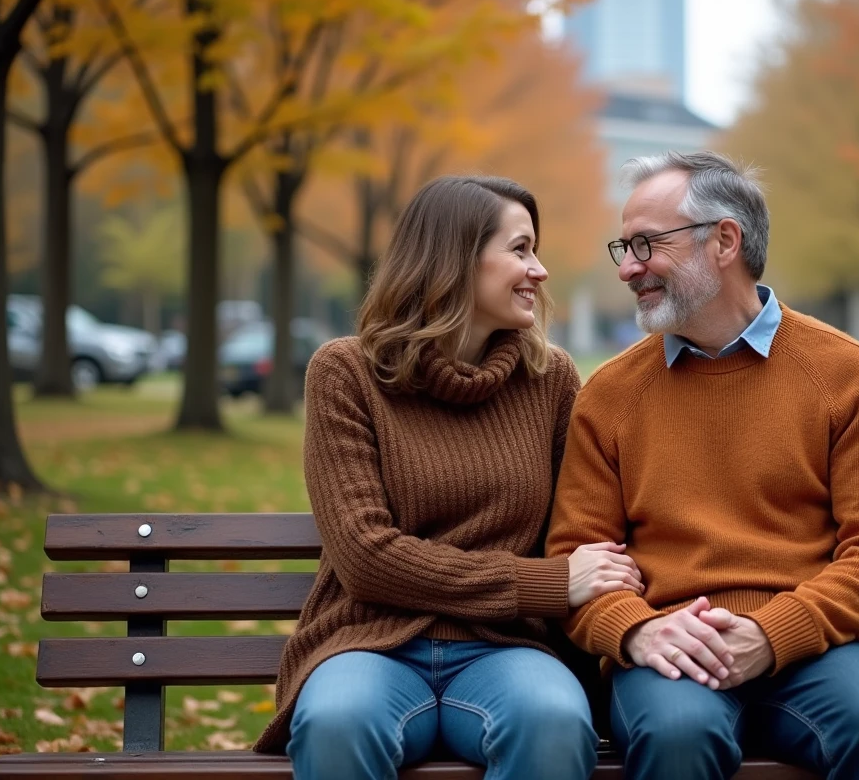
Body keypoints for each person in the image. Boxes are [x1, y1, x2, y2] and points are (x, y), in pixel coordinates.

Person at [545, 151, 859, 780]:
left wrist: (773, 634)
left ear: (724, 240)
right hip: (667, 649)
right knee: (678, 736)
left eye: (646, 244)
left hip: (814, 649)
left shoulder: (844, 373)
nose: (629, 268)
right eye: (624, 247)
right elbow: (578, 560)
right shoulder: (610, 394)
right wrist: (637, 632)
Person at [254, 175, 645, 780]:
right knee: (337, 723)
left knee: (553, 721)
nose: (539, 271)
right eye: (520, 249)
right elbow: (365, 557)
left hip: (507, 650)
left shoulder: (552, 381)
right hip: (370, 644)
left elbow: (580, 531)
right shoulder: (346, 374)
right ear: (455, 260)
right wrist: (541, 583)